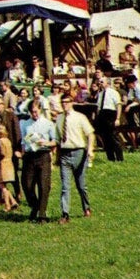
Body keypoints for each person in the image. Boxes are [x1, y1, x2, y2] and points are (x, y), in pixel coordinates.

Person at [55, 95, 95, 223]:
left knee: (81, 184)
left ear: (71, 103)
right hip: (65, 153)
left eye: (66, 102)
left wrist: (90, 150)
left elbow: (90, 134)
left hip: (79, 152)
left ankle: (86, 207)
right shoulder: (59, 118)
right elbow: (57, 139)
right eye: (62, 102)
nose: (64, 104)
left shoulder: (79, 117)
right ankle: (65, 213)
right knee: (65, 186)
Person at [20, 99, 57, 223]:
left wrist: (46, 143)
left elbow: (55, 141)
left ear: (40, 110)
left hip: (43, 154)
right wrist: (22, 151)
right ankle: (35, 205)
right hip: (30, 156)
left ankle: (42, 214)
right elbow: (22, 141)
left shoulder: (48, 124)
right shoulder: (25, 123)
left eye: (36, 111)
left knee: (43, 185)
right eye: (32, 112)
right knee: (26, 184)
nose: (34, 114)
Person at [93, 76, 124, 162]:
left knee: (114, 137)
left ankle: (119, 158)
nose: (100, 83)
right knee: (105, 138)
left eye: (102, 82)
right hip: (102, 115)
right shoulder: (100, 94)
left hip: (110, 114)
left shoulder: (113, 93)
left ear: (108, 83)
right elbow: (98, 107)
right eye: (100, 82)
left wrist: (117, 118)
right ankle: (110, 158)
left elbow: (118, 105)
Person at [0, 123, 19, 212]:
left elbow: (2, 153)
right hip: (9, 163)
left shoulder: (0, 141)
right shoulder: (8, 140)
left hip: (3, 164)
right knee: (4, 185)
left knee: (0, 185)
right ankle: (13, 201)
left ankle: (7, 205)